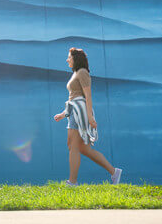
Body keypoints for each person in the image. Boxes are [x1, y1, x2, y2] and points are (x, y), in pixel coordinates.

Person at [53, 48, 123, 185]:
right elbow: (73, 97)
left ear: (76, 59)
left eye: (69, 57)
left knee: (72, 145)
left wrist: (90, 117)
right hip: (74, 111)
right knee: (83, 149)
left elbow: (87, 95)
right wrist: (63, 114)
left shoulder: (83, 73)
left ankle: (72, 182)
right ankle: (114, 172)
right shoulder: (76, 73)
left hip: (80, 112)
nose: (67, 60)